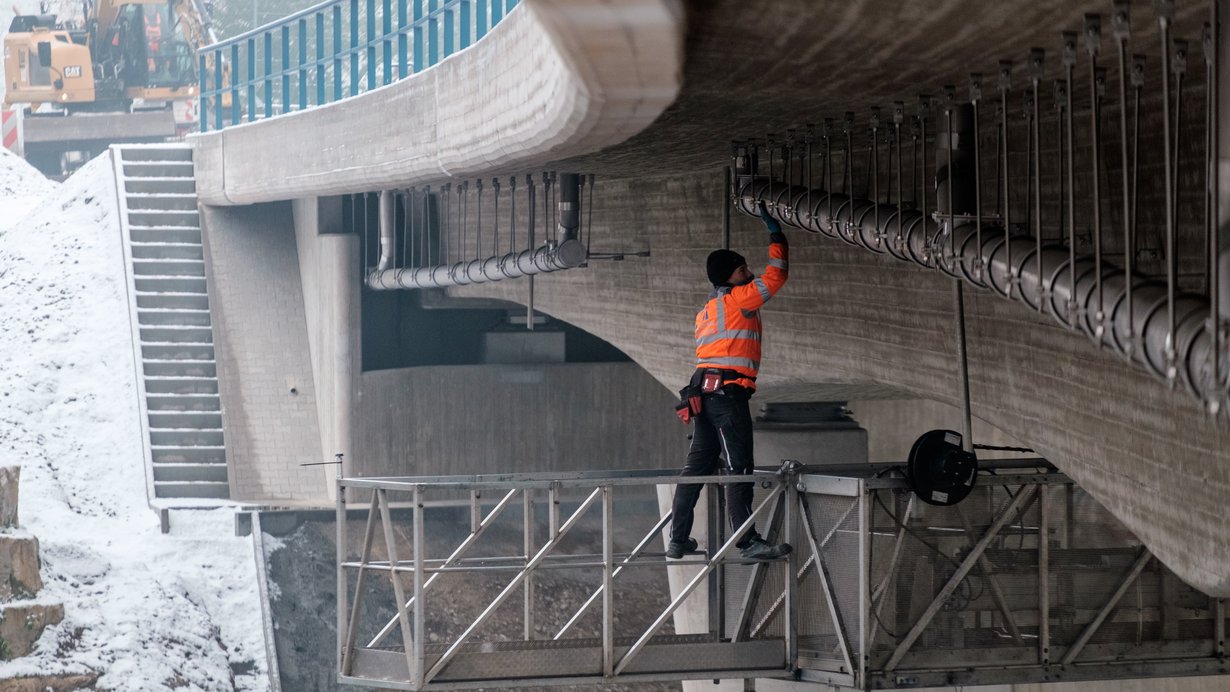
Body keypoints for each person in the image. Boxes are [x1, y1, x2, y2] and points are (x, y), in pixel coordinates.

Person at [667, 201, 792, 561]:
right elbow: (777, 275)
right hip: (727, 396)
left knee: (697, 468)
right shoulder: (741, 299)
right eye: (742, 269)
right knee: (739, 466)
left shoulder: (705, 311)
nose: (749, 272)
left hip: (702, 394)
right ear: (729, 276)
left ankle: (678, 539)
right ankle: (748, 541)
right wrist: (775, 234)